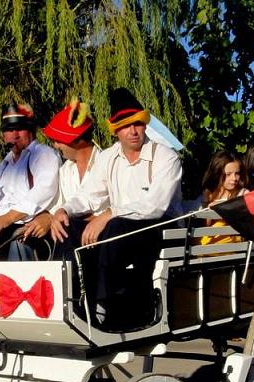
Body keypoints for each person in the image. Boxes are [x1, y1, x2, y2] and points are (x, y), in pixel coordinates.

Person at [51, 87, 182, 329]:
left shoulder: (166, 157)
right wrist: (64, 211)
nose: (132, 131)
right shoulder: (109, 157)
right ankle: (74, 300)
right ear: (116, 130)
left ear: (144, 124)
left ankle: (105, 304)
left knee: (114, 227)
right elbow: (89, 195)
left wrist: (109, 214)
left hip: (159, 228)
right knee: (68, 227)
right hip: (120, 228)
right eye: (124, 125)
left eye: (137, 124)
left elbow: (155, 206)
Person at [0, 102, 60, 260]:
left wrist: (6, 219)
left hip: (29, 226)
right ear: (3, 135)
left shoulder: (43, 154)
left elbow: (44, 191)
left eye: (20, 129)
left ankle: (2, 282)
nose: (14, 135)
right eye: (9, 130)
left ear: (31, 130)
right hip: (1, 227)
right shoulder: (1, 167)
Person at [21, 97, 102, 241]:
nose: (55, 146)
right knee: (24, 238)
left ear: (77, 140)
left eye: (58, 140)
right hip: (70, 235)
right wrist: (45, 218)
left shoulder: (106, 164)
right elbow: (57, 207)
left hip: (103, 235)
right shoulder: (66, 170)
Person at [200, 150, 248, 245]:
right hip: (207, 246)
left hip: (230, 246)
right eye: (228, 174)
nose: (234, 178)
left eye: (237, 173)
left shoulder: (243, 194)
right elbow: (203, 226)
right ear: (218, 173)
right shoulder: (208, 194)